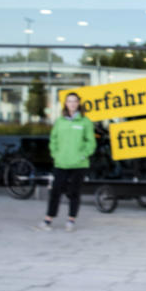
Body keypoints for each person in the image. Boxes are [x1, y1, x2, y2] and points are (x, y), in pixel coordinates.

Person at [37, 92, 96, 231]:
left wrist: (83, 155)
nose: (72, 104)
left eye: (75, 101)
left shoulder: (85, 121)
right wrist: (55, 154)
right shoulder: (60, 121)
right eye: (69, 101)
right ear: (66, 104)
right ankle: (48, 219)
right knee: (55, 191)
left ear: (78, 103)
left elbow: (91, 143)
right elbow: (53, 140)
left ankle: (71, 220)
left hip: (79, 164)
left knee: (74, 192)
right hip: (61, 163)